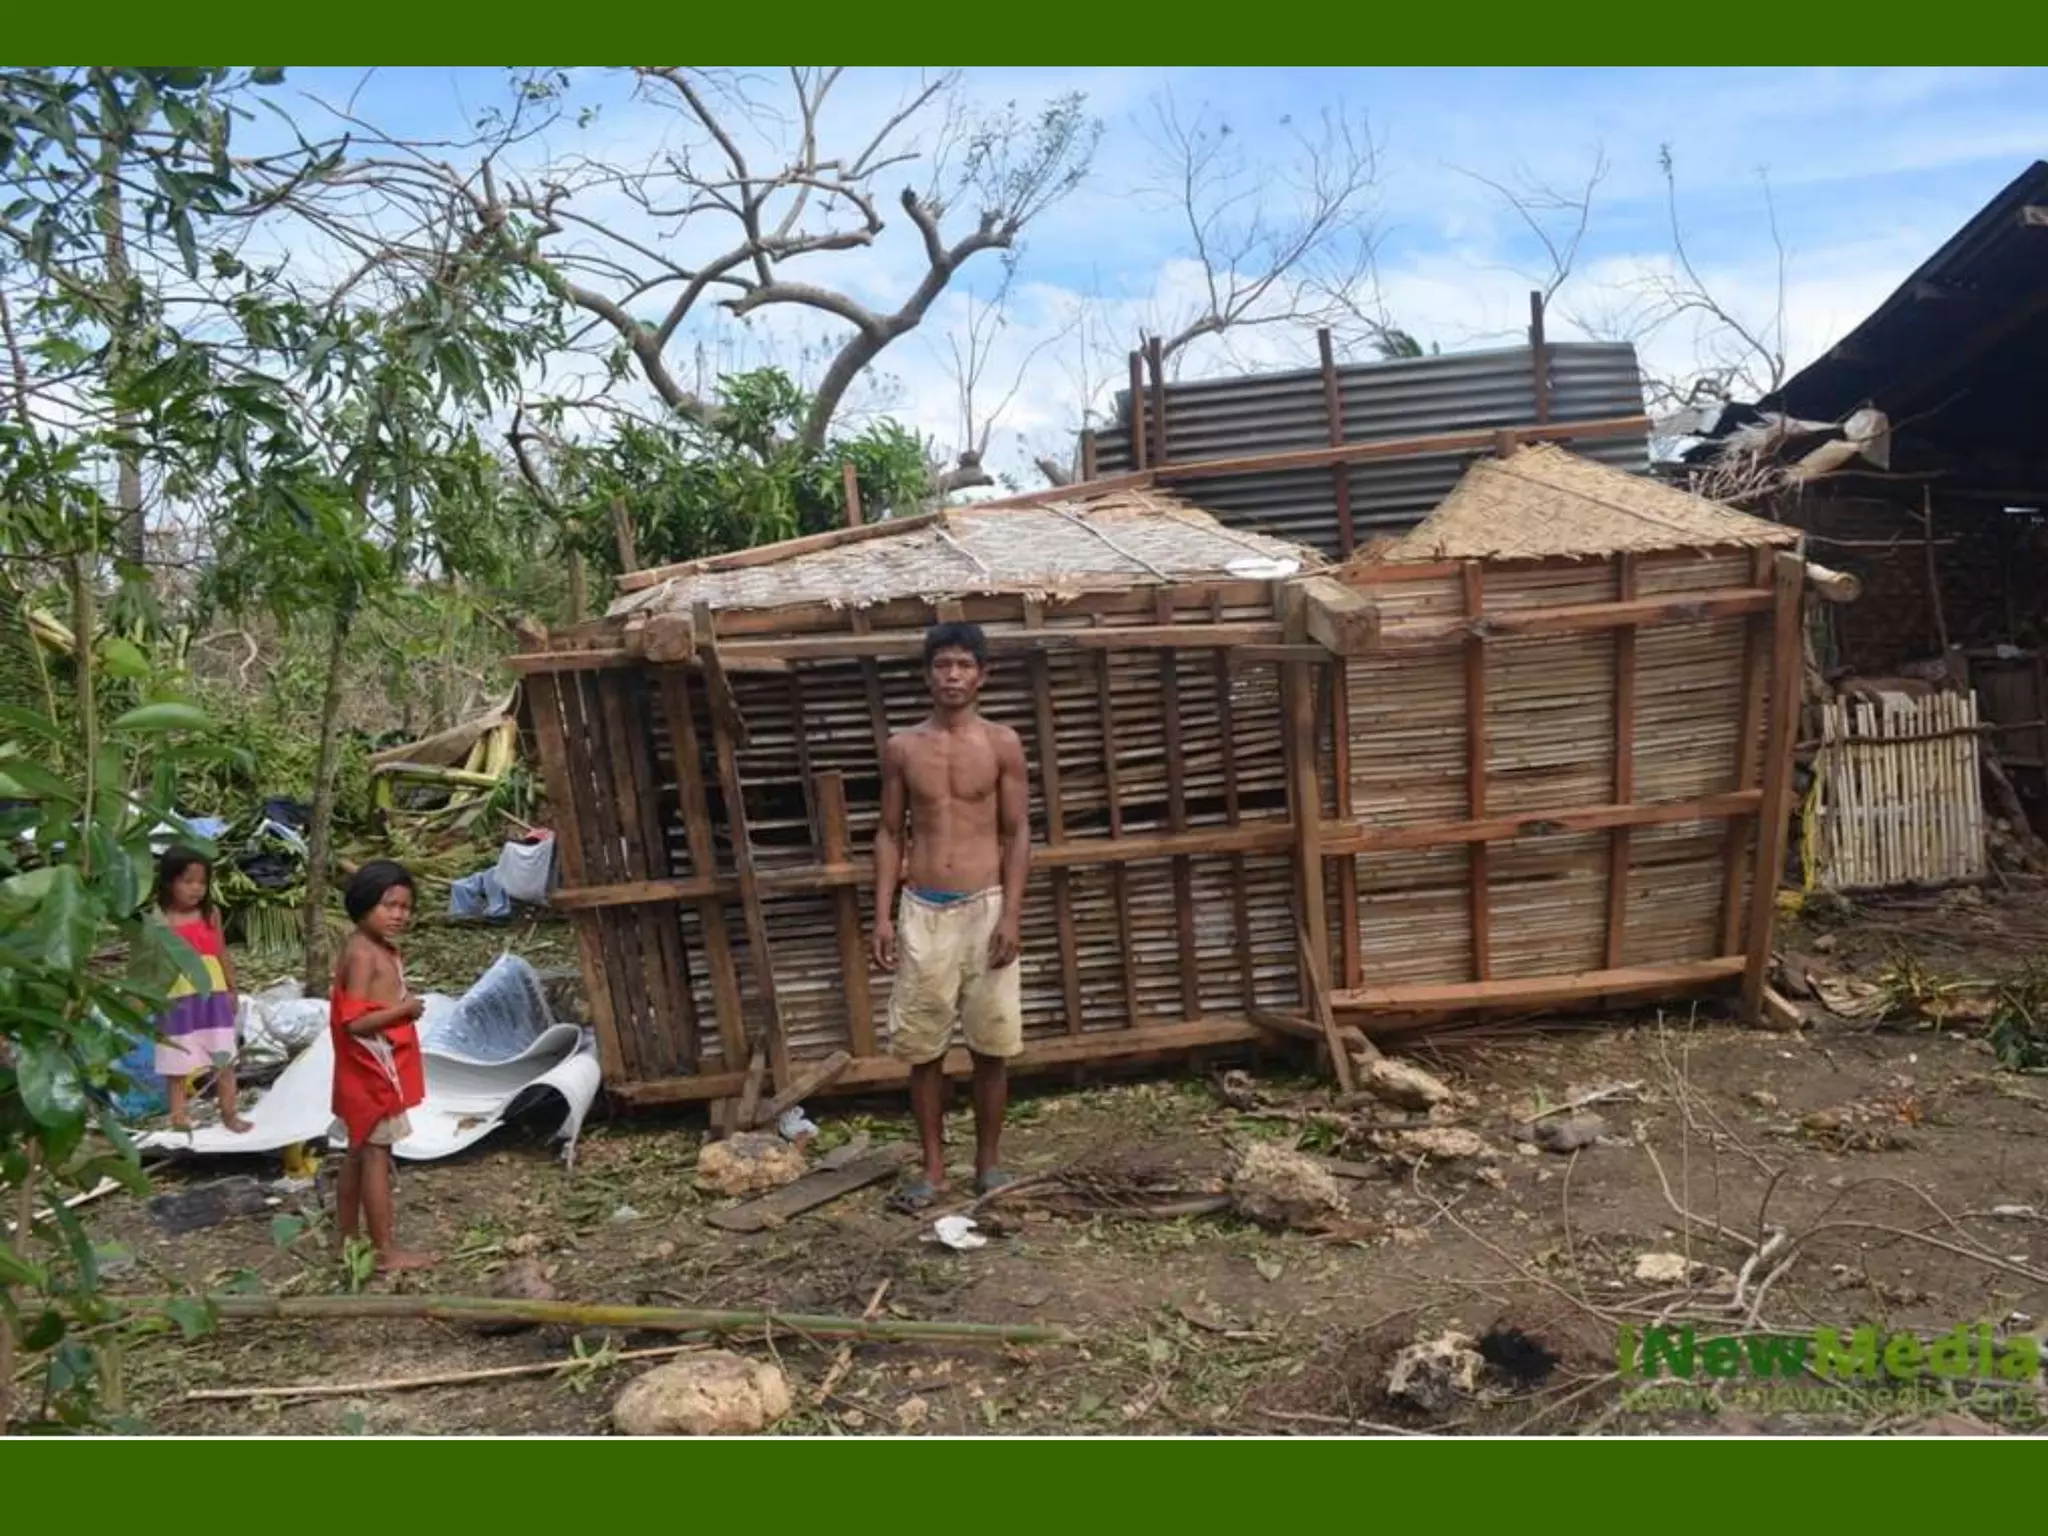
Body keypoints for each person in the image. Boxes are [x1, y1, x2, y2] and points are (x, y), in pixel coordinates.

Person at [872, 621, 1031, 1212]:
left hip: (986, 907)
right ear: (927, 675)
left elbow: (1017, 835)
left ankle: (988, 1166)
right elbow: (890, 833)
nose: (953, 676)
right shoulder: (903, 748)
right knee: (923, 1049)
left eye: (964, 665)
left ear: (982, 675)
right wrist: (883, 915)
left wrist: (1011, 914)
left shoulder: (1001, 744)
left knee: (992, 1044)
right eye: (943, 666)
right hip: (923, 912)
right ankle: (933, 1169)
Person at [329, 860, 434, 1272]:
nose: (398, 915)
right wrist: (403, 1011)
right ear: (363, 904)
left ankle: (346, 1239)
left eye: (405, 907)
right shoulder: (362, 954)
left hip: (367, 1068)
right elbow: (353, 1022)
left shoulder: (373, 947)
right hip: (372, 1068)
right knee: (374, 1154)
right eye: (388, 905)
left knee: (357, 1153)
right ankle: (386, 1250)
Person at [149, 847, 252, 1134]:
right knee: (177, 1060)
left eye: (202, 882)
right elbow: (153, 963)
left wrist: (232, 989)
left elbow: (221, 952)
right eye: (188, 881)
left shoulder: (211, 914)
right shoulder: (160, 920)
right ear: (169, 882)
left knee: (223, 1055)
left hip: (213, 993)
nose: (196, 889)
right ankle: (179, 1118)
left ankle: (230, 1113)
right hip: (176, 995)